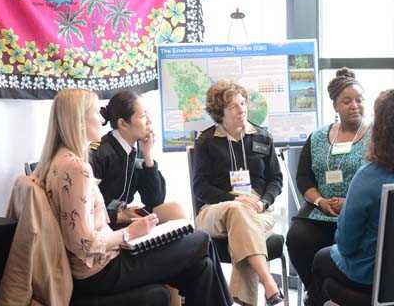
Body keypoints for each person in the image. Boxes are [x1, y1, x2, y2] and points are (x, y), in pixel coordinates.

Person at [33, 89, 232, 306]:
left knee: (203, 268)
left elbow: (155, 198)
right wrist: (130, 232)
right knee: (202, 239)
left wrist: (148, 157)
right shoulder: (80, 165)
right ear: (79, 121)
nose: (101, 119)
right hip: (100, 268)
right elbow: (84, 244)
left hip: (107, 254)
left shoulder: (62, 160)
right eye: (95, 113)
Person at [308, 89, 394, 305]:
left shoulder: (368, 177)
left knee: (321, 260)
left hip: (375, 280)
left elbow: (346, 245)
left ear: (378, 129)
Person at [192, 80, 283, 306]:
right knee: (237, 210)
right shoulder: (206, 141)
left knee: (242, 224)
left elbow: (276, 180)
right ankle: (269, 281)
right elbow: (200, 188)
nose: (241, 109)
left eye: (243, 103)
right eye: (233, 106)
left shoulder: (262, 137)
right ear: (219, 112)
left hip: (258, 211)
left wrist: (263, 202)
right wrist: (234, 199)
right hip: (215, 211)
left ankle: (245, 298)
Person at [286, 67, 370, 294]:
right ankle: (318, 293)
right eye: (347, 101)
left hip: (359, 212)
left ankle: (328, 295)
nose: (354, 105)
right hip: (320, 210)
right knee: (297, 238)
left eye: (359, 100)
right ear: (335, 106)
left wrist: (349, 203)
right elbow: (303, 177)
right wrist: (320, 201)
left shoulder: (376, 136)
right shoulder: (318, 137)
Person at [90, 90, 185, 229]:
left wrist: (148, 157)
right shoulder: (99, 153)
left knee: (175, 210)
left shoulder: (137, 148)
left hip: (125, 216)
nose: (150, 121)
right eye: (142, 116)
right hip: (104, 223)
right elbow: (87, 209)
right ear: (123, 124)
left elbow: (155, 200)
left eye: (147, 114)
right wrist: (117, 215)